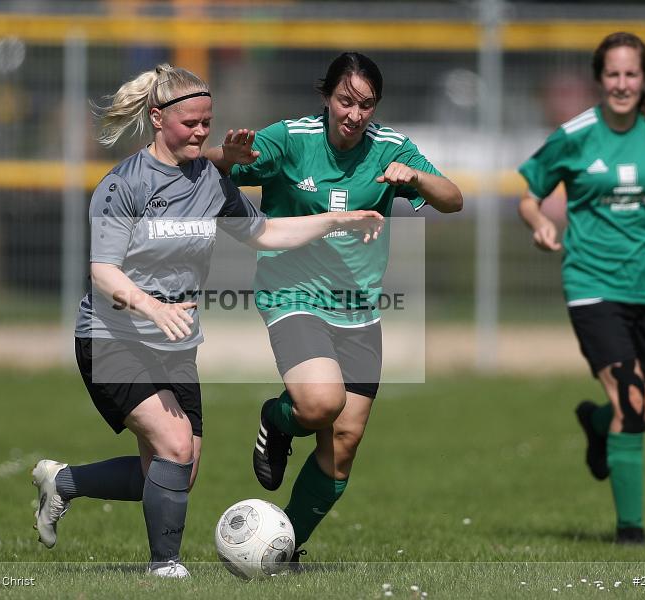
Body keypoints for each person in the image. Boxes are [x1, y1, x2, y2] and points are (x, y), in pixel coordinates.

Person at [31, 63, 384, 578]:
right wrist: (153, 307)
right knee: (174, 448)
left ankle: (64, 484)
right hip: (111, 338)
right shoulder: (122, 185)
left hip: (173, 344)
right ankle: (165, 567)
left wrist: (334, 219)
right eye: (190, 123)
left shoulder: (210, 182)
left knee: (179, 469)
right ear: (157, 118)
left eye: (207, 123)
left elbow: (263, 233)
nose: (201, 133)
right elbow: (104, 272)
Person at [205, 51, 462, 564]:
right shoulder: (292, 137)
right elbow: (216, 161)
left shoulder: (391, 147)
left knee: (343, 442)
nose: (354, 114)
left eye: (366, 105)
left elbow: (452, 197)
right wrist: (230, 156)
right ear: (327, 97)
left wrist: (415, 179)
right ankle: (277, 421)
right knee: (322, 404)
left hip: (359, 309)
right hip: (292, 294)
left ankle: (282, 551)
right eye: (346, 100)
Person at [518, 32, 645, 544]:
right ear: (600, 79)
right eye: (613, 74)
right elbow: (530, 195)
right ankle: (630, 533)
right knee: (631, 401)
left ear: (643, 79)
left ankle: (597, 424)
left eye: (631, 74)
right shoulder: (576, 134)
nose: (622, 83)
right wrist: (539, 223)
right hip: (592, 283)